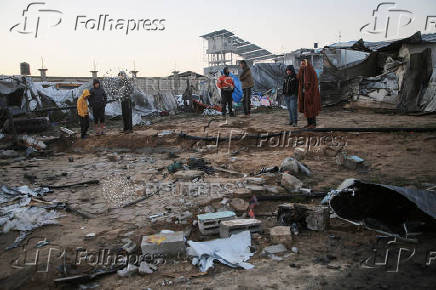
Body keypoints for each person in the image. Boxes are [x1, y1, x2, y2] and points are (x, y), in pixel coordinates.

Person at [297, 59, 321, 128]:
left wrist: (310, 91)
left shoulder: (312, 72)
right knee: (306, 109)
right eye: (301, 64)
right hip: (305, 94)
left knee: (312, 109)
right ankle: (309, 123)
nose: (302, 65)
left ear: (307, 64)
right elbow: (298, 78)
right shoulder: (303, 72)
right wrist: (301, 70)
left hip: (311, 94)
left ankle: (313, 124)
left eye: (303, 64)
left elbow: (314, 83)